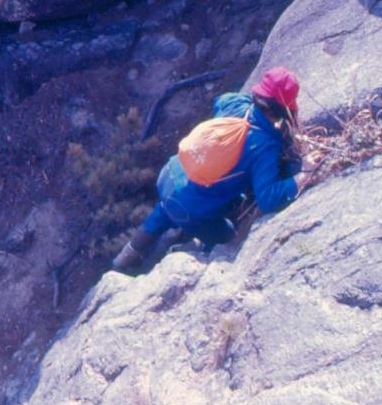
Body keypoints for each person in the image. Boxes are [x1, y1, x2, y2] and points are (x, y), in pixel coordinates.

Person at [112, 66, 310, 273]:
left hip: (170, 174)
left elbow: (218, 102)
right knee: (226, 234)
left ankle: (128, 255)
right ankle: (184, 250)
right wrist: (303, 174)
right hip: (189, 209)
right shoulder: (265, 145)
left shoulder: (235, 102)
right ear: (282, 110)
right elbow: (267, 198)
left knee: (163, 210)